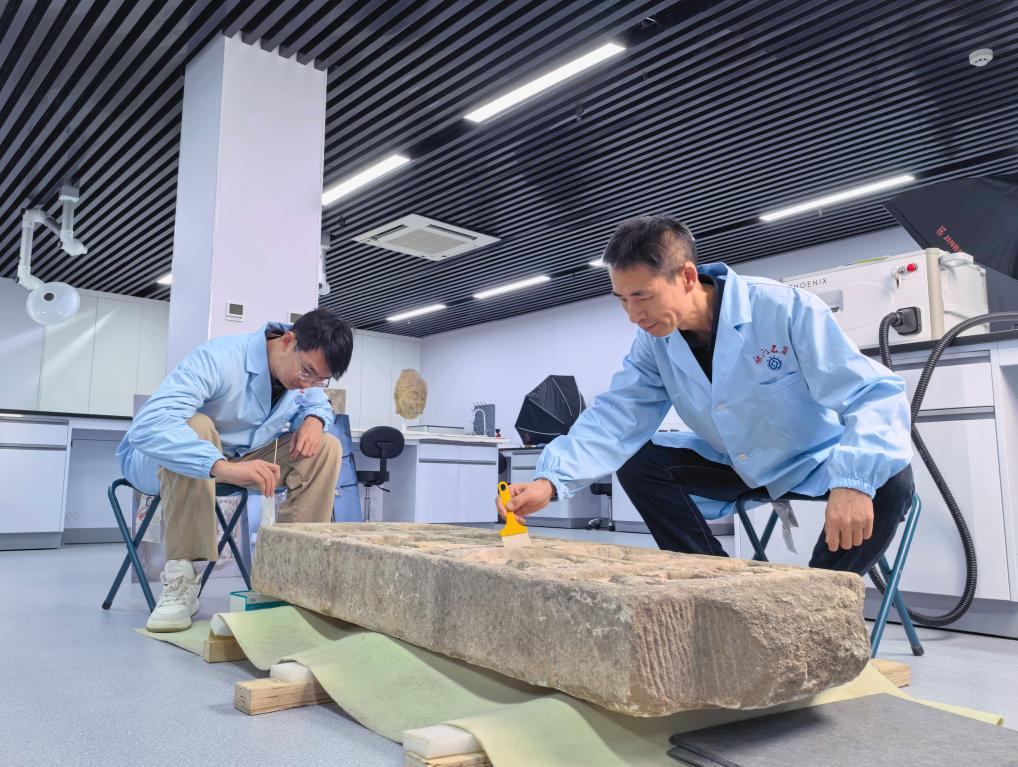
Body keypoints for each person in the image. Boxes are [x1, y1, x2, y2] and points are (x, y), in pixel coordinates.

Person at [499, 216, 914, 574]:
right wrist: (549, 481)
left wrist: (853, 483)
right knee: (640, 463)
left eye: (643, 296)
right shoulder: (653, 342)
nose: (633, 315)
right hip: (737, 464)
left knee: (890, 481)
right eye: (622, 300)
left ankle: (815, 603)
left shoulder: (784, 308)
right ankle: (711, 580)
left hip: (813, 462)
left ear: (686, 277)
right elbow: (618, 416)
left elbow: (872, 392)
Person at [117, 309, 354, 631]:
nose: (307, 383)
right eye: (307, 371)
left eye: (319, 380)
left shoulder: (304, 373)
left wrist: (315, 419)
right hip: (158, 460)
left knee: (327, 447)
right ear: (287, 341)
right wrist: (220, 467)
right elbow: (149, 426)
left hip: (241, 457)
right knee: (196, 425)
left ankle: (291, 575)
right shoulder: (218, 358)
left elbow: (315, 401)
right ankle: (181, 579)